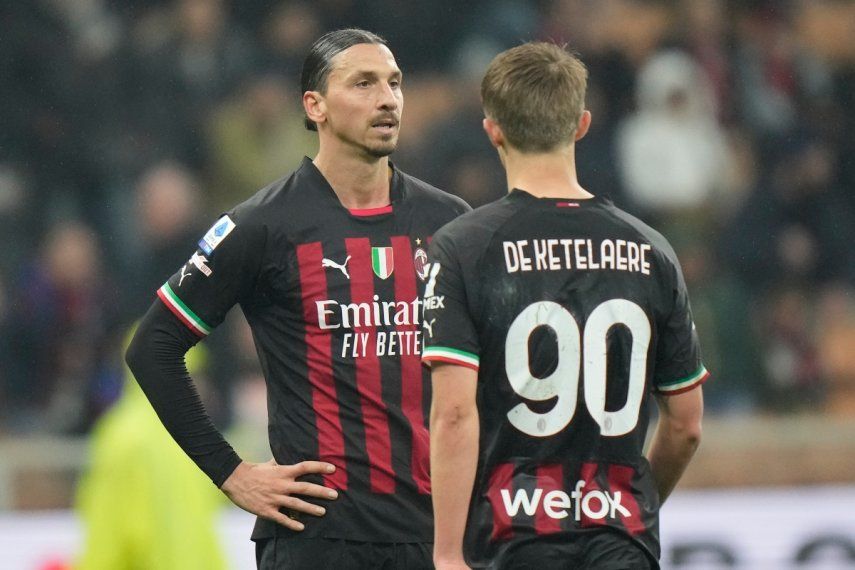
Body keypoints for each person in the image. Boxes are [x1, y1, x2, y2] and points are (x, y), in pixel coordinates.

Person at [126, 28, 469, 569]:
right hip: (317, 539)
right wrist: (231, 473)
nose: (387, 99)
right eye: (362, 83)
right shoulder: (261, 226)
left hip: (438, 536)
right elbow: (152, 347)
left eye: (394, 83)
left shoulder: (449, 222)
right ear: (315, 106)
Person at [423, 42, 707, 570]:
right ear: (581, 124)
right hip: (621, 537)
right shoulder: (651, 250)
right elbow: (686, 423)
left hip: (511, 540)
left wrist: (445, 554)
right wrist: (632, 509)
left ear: (493, 130)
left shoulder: (462, 247)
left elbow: (455, 413)